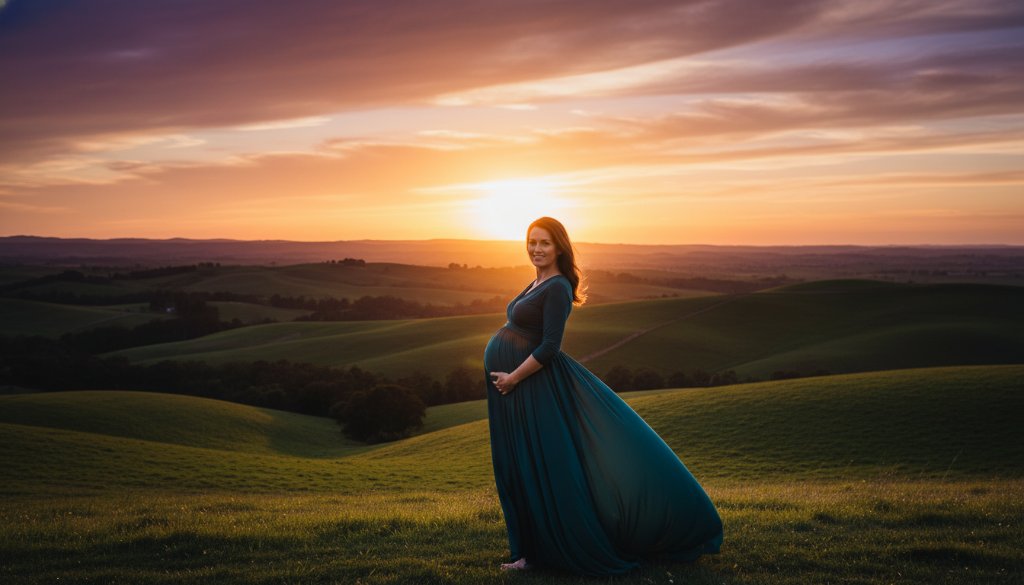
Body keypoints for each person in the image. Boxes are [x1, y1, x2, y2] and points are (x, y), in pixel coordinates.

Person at [484, 216, 724, 576]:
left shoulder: (558, 287)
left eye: (544, 243)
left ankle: (548, 550)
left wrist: (514, 378)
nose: (536, 248)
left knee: (541, 467)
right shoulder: (538, 281)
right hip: (517, 389)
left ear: (560, 247)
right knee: (520, 466)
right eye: (532, 241)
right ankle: (528, 552)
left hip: (531, 387)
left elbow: (550, 346)